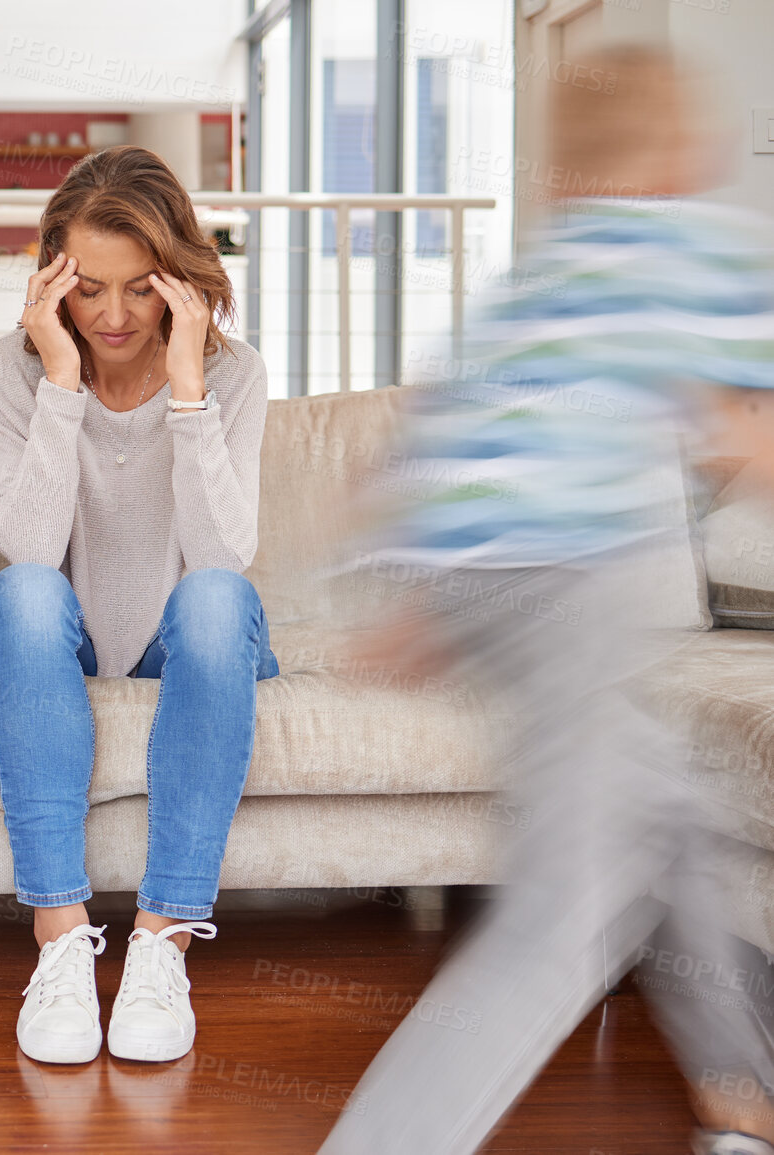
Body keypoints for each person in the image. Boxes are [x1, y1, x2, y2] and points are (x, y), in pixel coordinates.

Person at [321, 47, 774, 1155]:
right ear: (681, 148)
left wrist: (416, 600)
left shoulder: (542, 267)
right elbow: (744, 429)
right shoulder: (701, 245)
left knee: (668, 811)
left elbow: (437, 417)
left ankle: (739, 1088)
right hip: (575, 574)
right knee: (565, 913)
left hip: (464, 574)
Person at [0, 145, 275, 1066]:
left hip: (184, 642)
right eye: (88, 289)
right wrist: (62, 384)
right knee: (19, 589)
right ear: (52, 282)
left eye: (140, 289)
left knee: (221, 597)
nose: (110, 316)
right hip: (59, 639)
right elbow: (28, 546)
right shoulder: (13, 370)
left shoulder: (231, 375)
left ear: (179, 284)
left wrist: (186, 394)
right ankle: (62, 941)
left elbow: (222, 555)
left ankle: (160, 942)